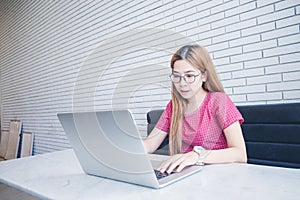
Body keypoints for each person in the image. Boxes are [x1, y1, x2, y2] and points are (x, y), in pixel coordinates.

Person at [144, 44, 247, 174]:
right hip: (189, 175)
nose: (182, 84)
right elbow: (150, 144)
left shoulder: (219, 101)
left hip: (221, 174)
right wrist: (121, 149)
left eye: (189, 76)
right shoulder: (173, 106)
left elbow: (240, 154)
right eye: (176, 76)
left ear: (204, 76)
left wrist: (197, 155)